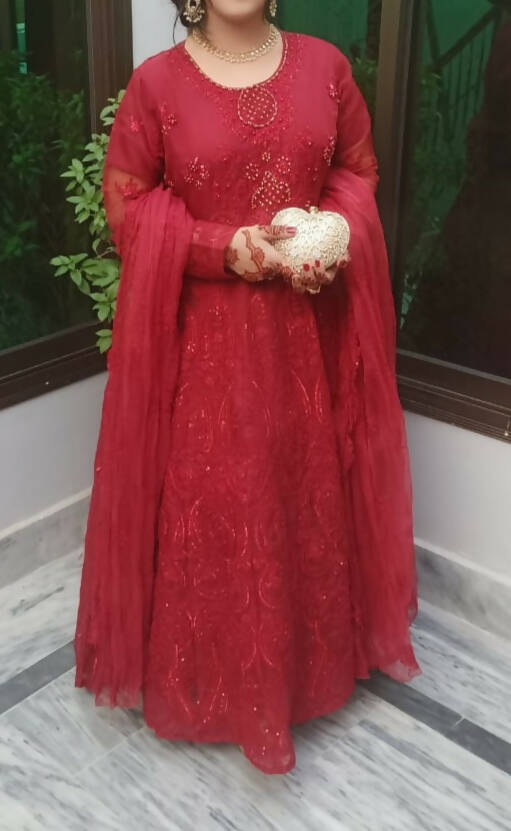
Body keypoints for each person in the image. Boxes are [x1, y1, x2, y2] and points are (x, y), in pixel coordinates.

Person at [74, 0, 421, 776]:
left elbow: (356, 174)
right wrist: (218, 247)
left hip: (307, 333)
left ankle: (307, 673)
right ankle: (211, 682)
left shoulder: (325, 67)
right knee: (220, 500)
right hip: (205, 345)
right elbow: (127, 202)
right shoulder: (157, 85)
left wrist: (328, 235)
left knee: (300, 488)